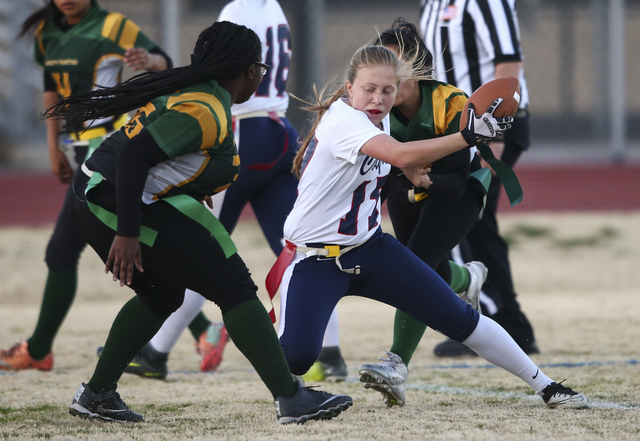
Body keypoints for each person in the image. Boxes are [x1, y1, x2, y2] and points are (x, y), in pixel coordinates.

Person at [44, 20, 353, 423]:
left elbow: (157, 159)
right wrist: (127, 233)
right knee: (233, 285)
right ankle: (291, 398)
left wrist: (186, 185)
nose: (261, 75)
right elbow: (133, 158)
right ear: (248, 71)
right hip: (113, 203)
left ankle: (97, 395)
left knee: (163, 294)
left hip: (98, 196)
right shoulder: (205, 109)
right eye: (259, 68)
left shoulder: (200, 95)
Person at [269, 44, 586, 411]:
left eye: (387, 91)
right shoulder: (344, 119)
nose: (378, 98)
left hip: (369, 249)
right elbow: (399, 153)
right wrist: (469, 135)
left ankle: (546, 385)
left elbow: (390, 157)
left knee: (460, 318)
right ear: (349, 87)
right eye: (369, 89)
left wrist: (405, 167)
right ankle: (286, 390)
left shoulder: (379, 117)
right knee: (297, 356)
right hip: (317, 259)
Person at [115, 0, 305, 380]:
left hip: (242, 131)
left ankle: (157, 350)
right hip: (281, 130)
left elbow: (219, 73)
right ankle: (324, 349)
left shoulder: (237, 10)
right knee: (301, 247)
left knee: (205, 250)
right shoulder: (275, 9)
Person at [0, 0, 171, 371]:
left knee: (65, 248)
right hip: (76, 146)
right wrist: (52, 144)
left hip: (107, 147)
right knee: (115, 238)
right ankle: (202, 328)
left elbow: (163, 63)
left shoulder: (112, 25)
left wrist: (149, 61)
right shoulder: (48, 30)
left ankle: (39, 349)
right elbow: (51, 90)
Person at [419, 0, 539, 357]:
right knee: (474, 220)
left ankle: (492, 318)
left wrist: (497, 133)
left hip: (492, 126)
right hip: (457, 127)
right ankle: (508, 322)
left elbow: (509, 62)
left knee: (469, 214)